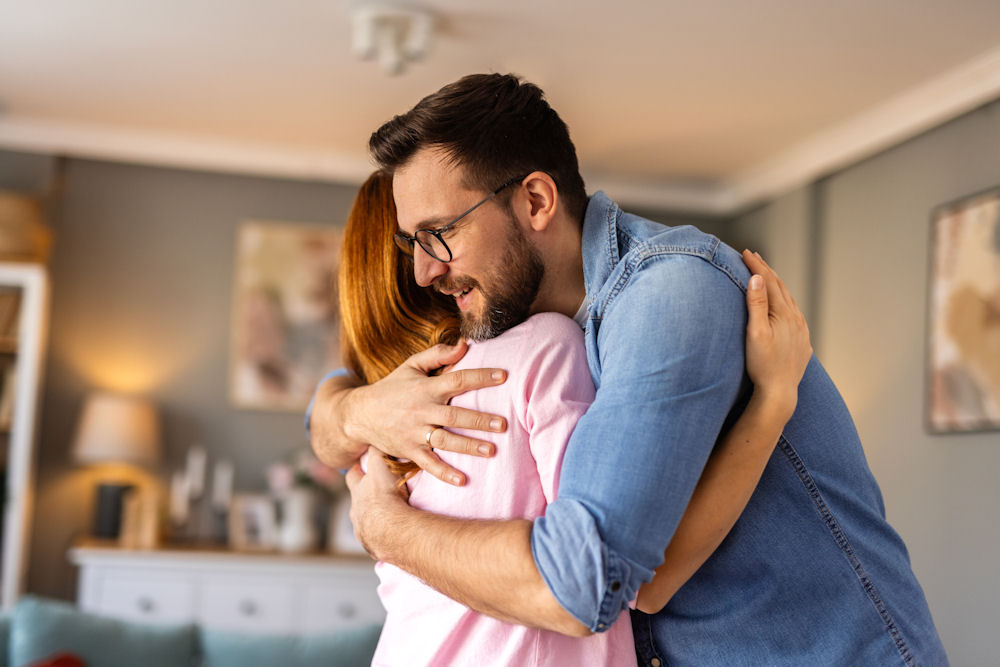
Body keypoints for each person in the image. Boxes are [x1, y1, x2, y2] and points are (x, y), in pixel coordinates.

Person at [311, 74, 948, 665]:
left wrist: (385, 527)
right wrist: (358, 409)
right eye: (410, 243)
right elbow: (642, 580)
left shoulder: (669, 294)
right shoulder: (542, 329)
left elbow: (583, 585)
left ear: (536, 200)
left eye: (439, 233)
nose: (424, 269)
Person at [336, 171, 811, 665]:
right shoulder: (540, 348)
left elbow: (322, 417)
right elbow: (621, 583)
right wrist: (773, 401)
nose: (426, 265)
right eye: (425, 238)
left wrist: (377, 517)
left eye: (438, 234)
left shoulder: (374, 427)